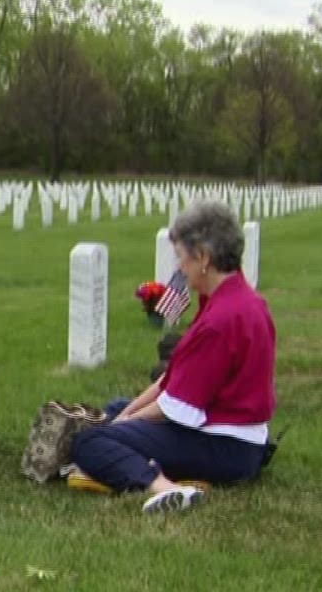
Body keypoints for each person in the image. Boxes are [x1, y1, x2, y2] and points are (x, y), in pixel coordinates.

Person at [72, 200, 276, 513]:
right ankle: (131, 451)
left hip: (228, 447)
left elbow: (175, 408)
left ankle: (164, 487)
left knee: (89, 442)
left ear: (204, 258)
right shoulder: (239, 299)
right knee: (115, 408)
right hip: (237, 436)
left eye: (182, 257)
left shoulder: (223, 319)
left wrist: (119, 429)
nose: (180, 268)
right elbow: (171, 379)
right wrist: (126, 415)